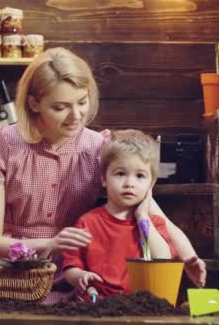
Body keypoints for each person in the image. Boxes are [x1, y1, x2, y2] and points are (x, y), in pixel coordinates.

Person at [0, 48, 205, 303]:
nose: (76, 116)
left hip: (82, 276)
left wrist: (189, 258)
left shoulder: (100, 148)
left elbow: (155, 215)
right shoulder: (1, 144)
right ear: (33, 103)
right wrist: (50, 244)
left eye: (82, 102)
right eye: (60, 107)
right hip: (13, 276)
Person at [62, 129, 179, 301]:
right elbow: (70, 265)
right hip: (97, 303)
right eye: (120, 174)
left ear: (151, 184)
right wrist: (79, 276)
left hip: (140, 304)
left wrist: (142, 217)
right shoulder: (87, 223)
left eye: (140, 176)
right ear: (104, 178)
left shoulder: (153, 224)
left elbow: (163, 259)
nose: (129, 183)